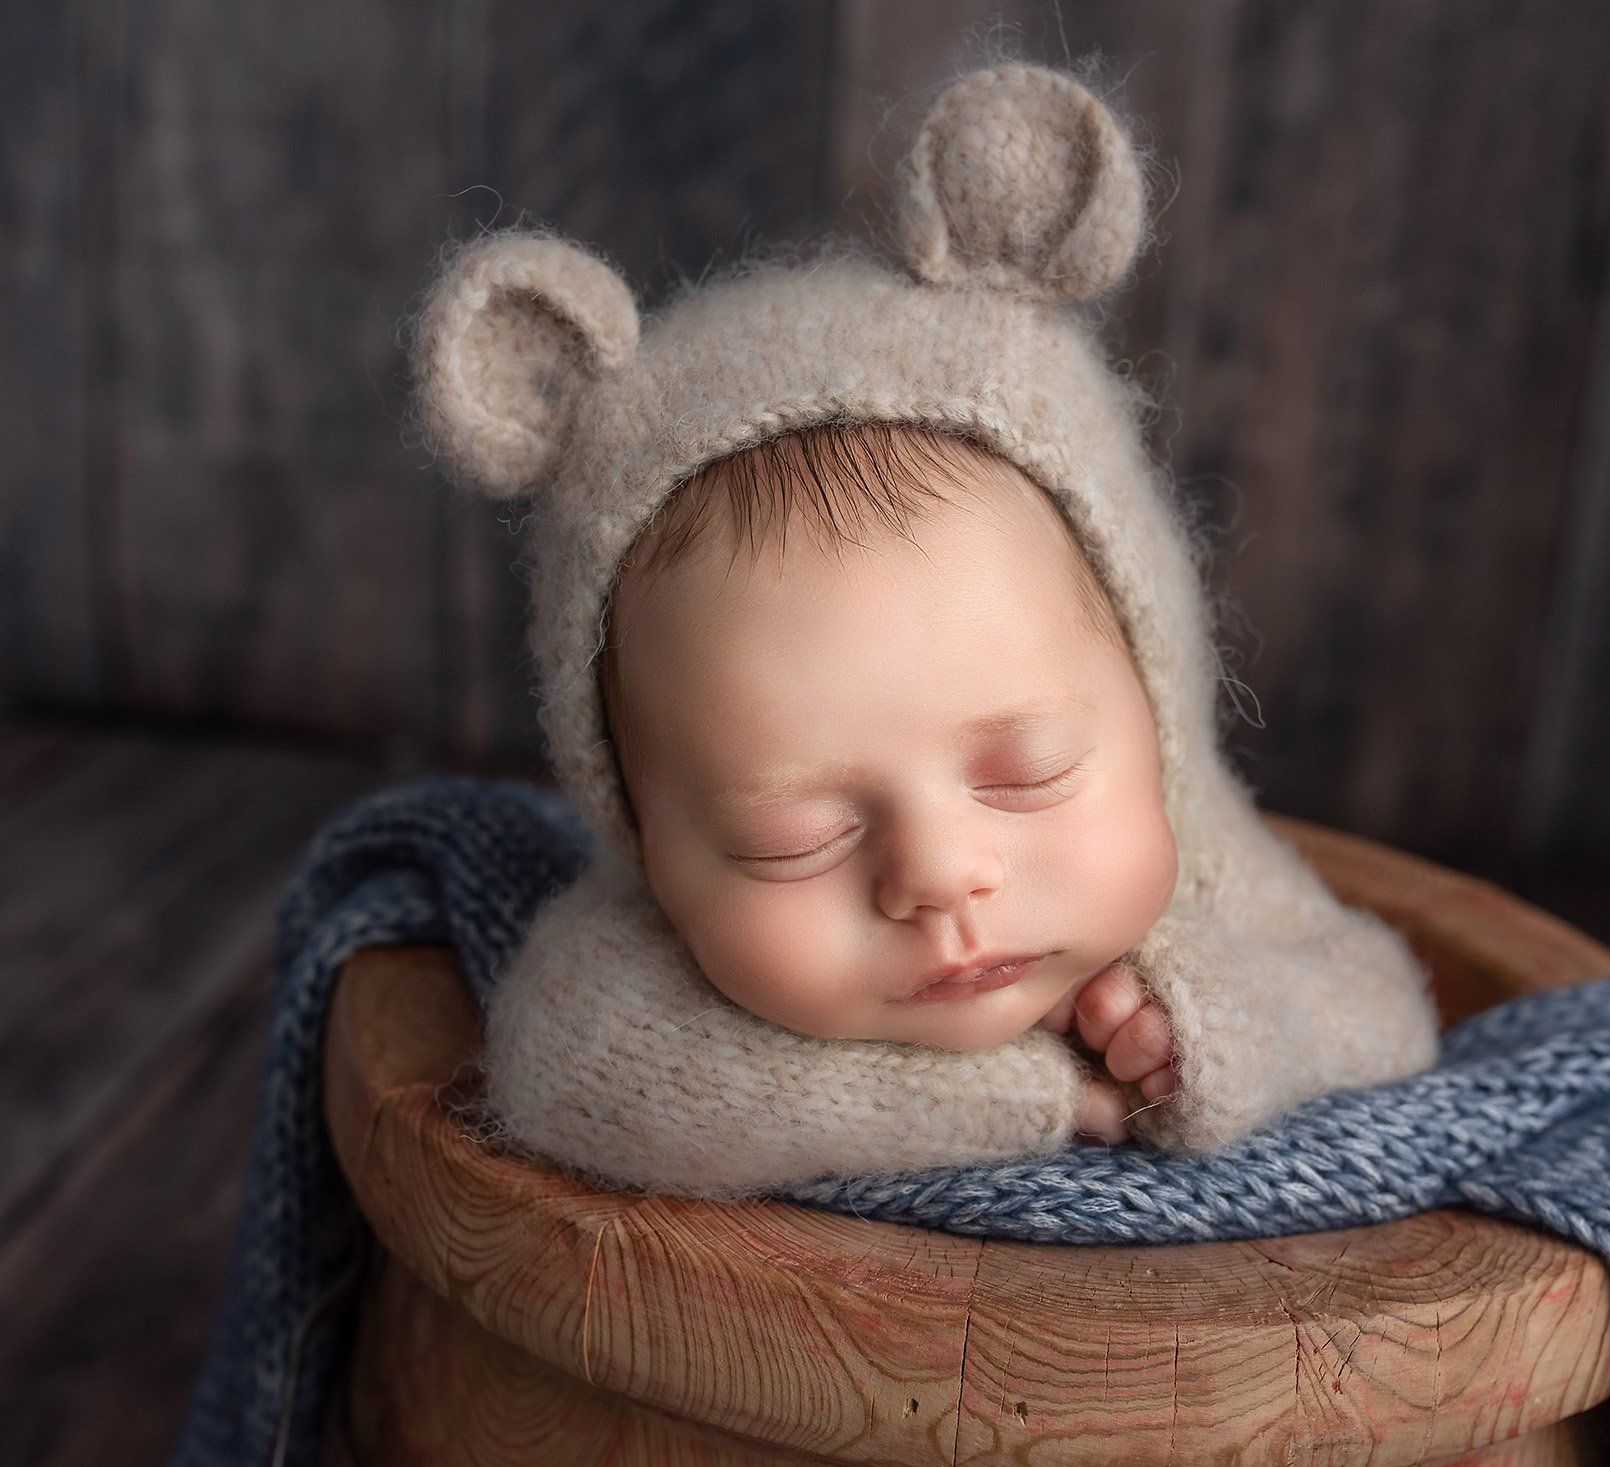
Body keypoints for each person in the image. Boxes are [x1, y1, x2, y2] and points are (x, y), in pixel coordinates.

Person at [409, 59, 1438, 1198]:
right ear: (644, 830)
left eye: (1028, 773)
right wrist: (1014, 1098)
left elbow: (1379, 1005)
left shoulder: (1205, 866)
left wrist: (1225, 1025)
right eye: (790, 840)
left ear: (1148, 700)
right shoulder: (636, 952)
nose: (941, 877)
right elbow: (565, 1071)